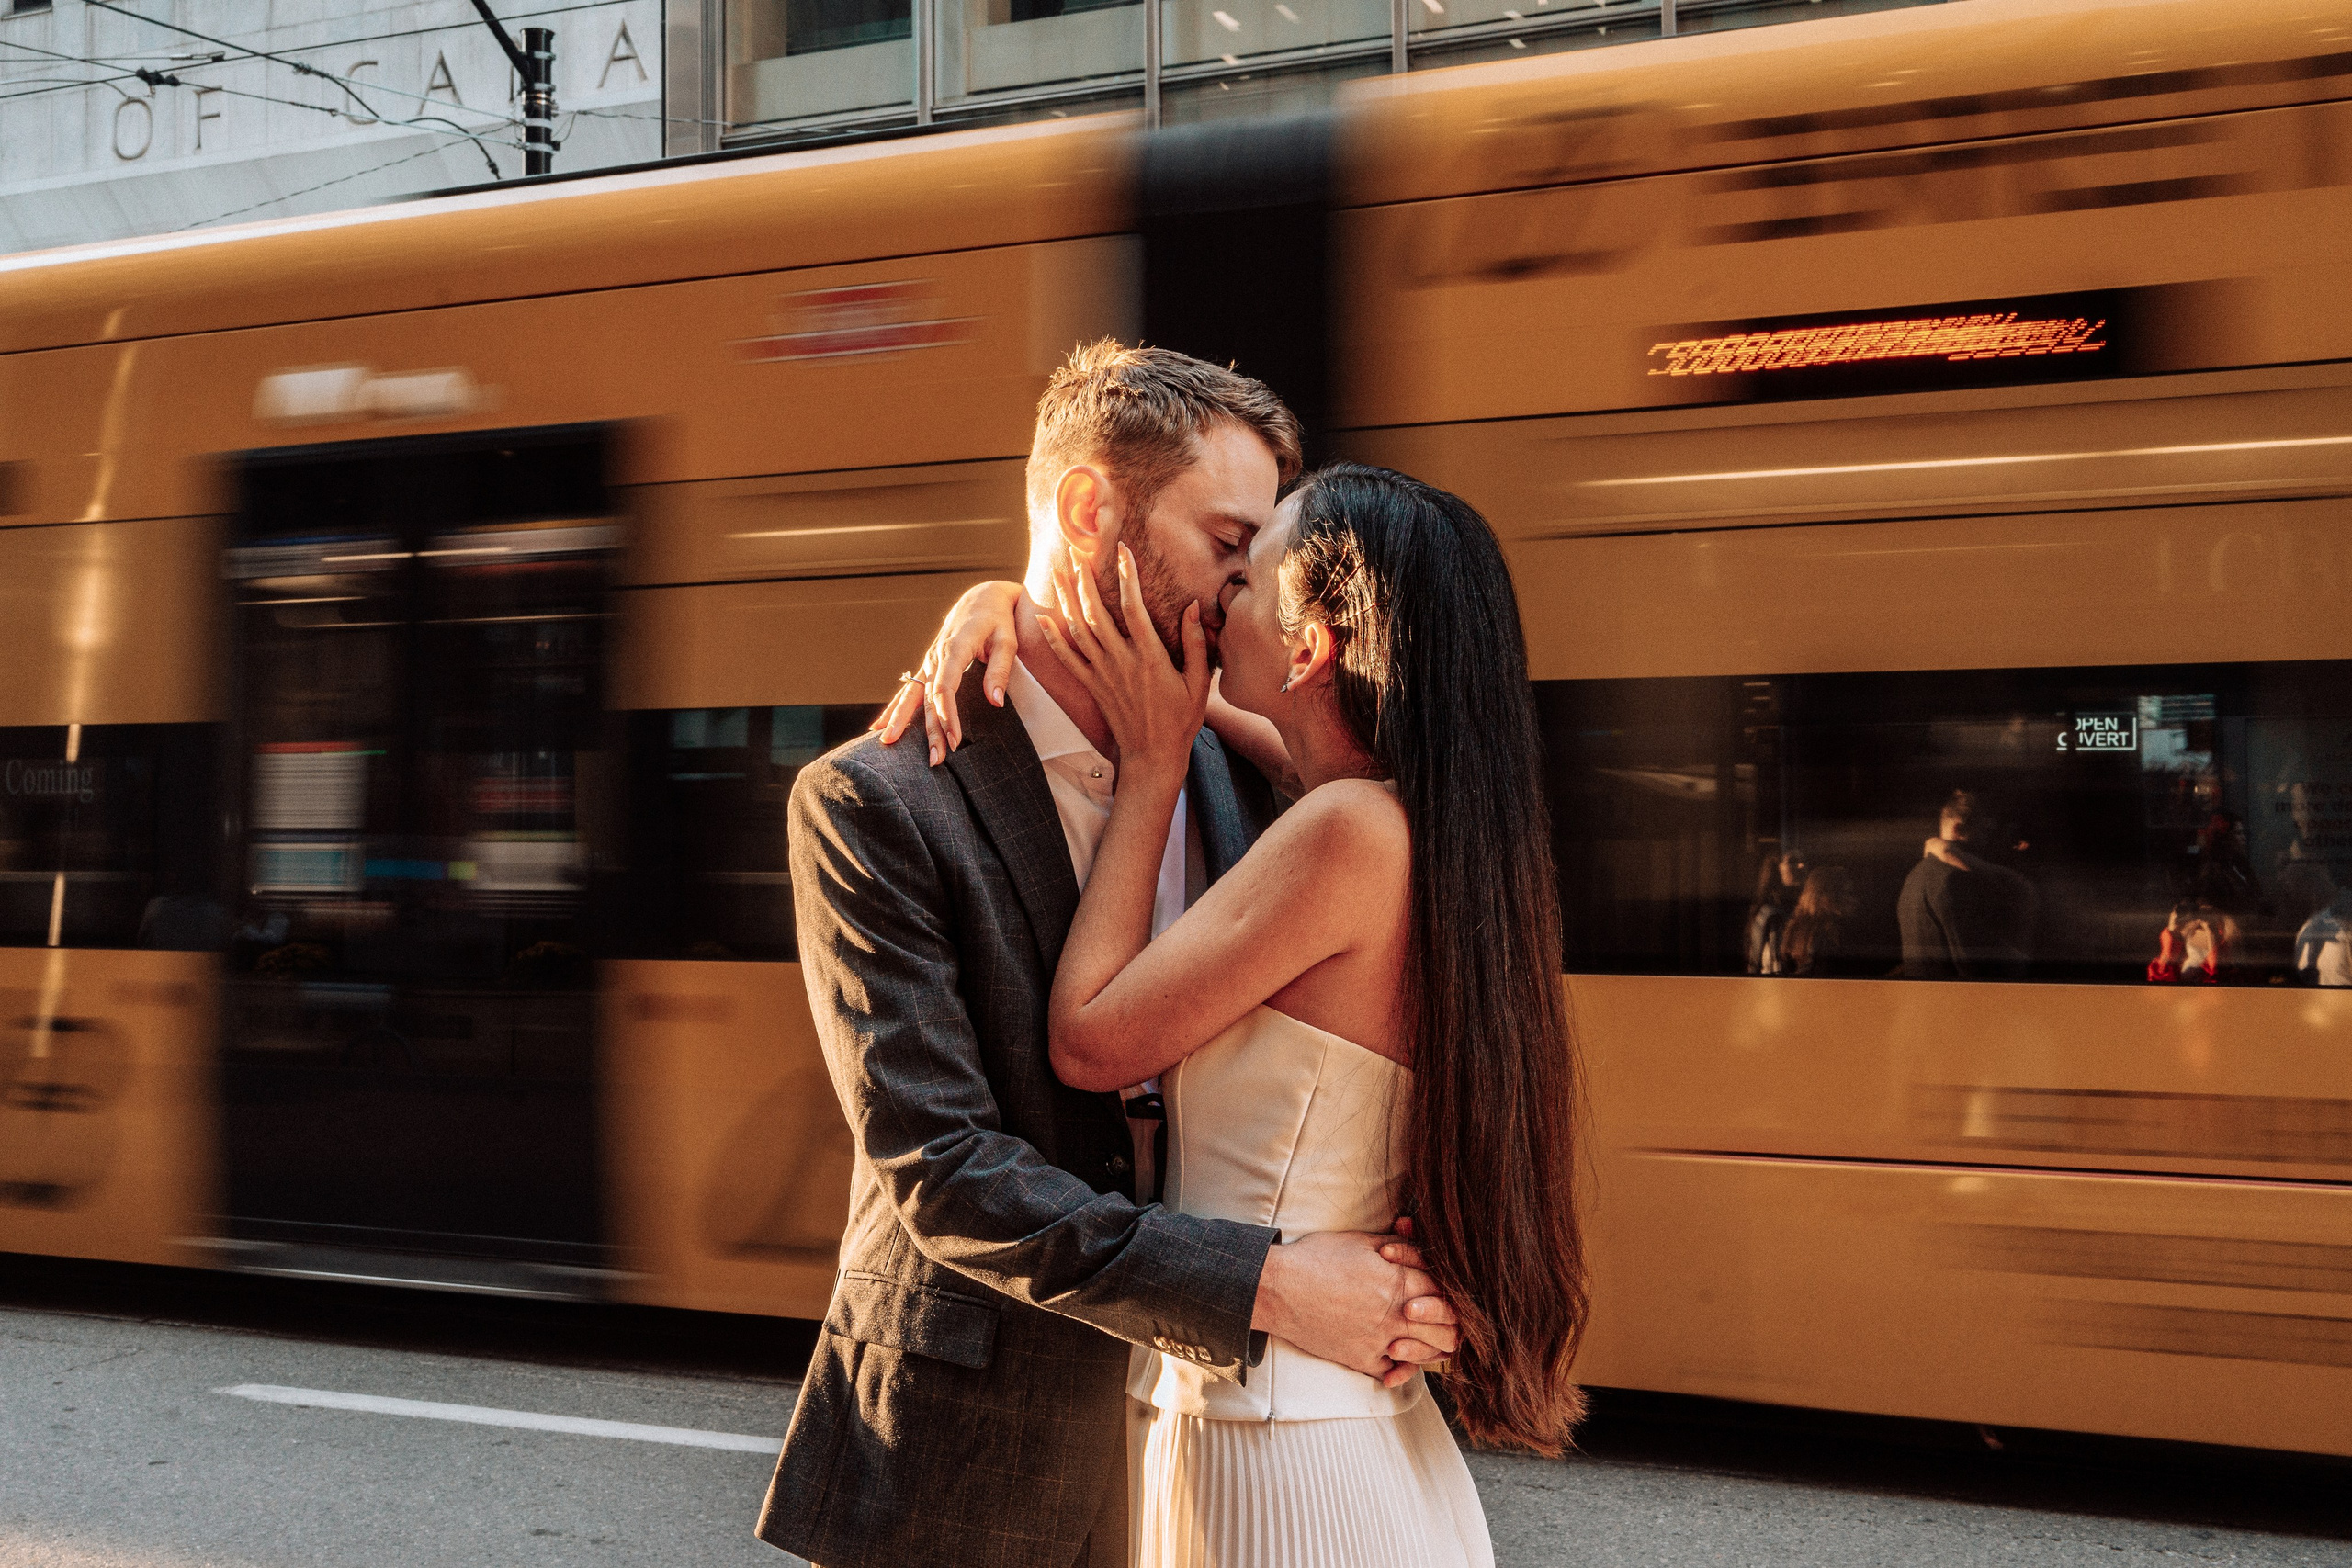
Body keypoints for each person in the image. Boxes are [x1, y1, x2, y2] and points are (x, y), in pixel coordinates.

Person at [758, 344, 1461, 1568]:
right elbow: (948, 1173)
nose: (1251, 593)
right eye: (1228, 545)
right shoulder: (873, 802)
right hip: (976, 1464)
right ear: (1090, 510)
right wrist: (1269, 1284)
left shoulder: (1261, 764)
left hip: (1226, 1442)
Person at [886, 462, 1590, 1565]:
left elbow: (1088, 1038)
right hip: (1334, 1412)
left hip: (1271, 1430)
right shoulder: (1428, 826)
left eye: (1248, 581)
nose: (1219, 603)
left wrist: (1156, 771)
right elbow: (1232, 709)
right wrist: (1009, 603)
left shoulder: (1342, 834)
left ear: (1311, 648)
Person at [1897, 790, 2037, 979]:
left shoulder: (1913, 877)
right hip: (1956, 1005)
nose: (1986, 841)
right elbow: (1975, 966)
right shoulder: (1955, 880)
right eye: (1983, 831)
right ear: (1958, 829)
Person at [1762, 866, 1854, 977]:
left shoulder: (1796, 926)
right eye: (1848, 893)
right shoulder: (1832, 931)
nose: (1855, 899)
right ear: (1828, 897)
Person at [1744, 852, 1806, 975]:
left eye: (1801, 861)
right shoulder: (1769, 912)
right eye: (1792, 862)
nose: (1801, 866)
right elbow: (1757, 963)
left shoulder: (1804, 906)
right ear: (1777, 868)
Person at [2147, 898, 2237, 984]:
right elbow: (2160, 980)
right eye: (2198, 912)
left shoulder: (2225, 948)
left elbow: (2217, 982)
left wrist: (2211, 937)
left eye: (2208, 913)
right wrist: (2172, 931)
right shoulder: (2185, 941)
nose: (2201, 917)